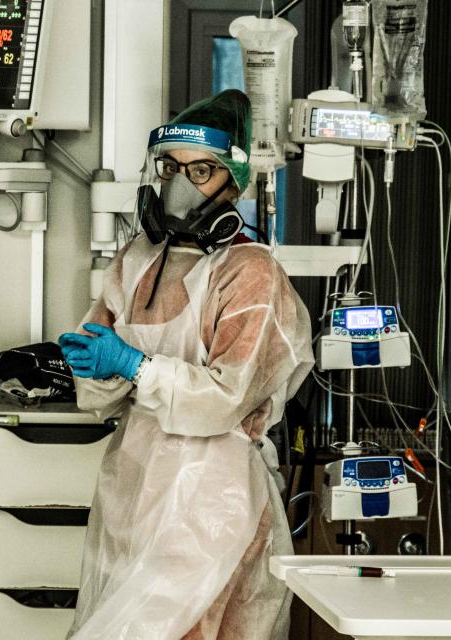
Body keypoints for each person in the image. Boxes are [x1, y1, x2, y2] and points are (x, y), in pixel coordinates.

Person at [58, 89, 314, 640]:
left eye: (201, 170)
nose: (180, 183)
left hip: (212, 496)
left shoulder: (249, 274)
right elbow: (99, 395)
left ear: (233, 181)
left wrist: (133, 364)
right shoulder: (137, 261)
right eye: (170, 167)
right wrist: (94, 365)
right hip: (134, 483)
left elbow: (225, 400)